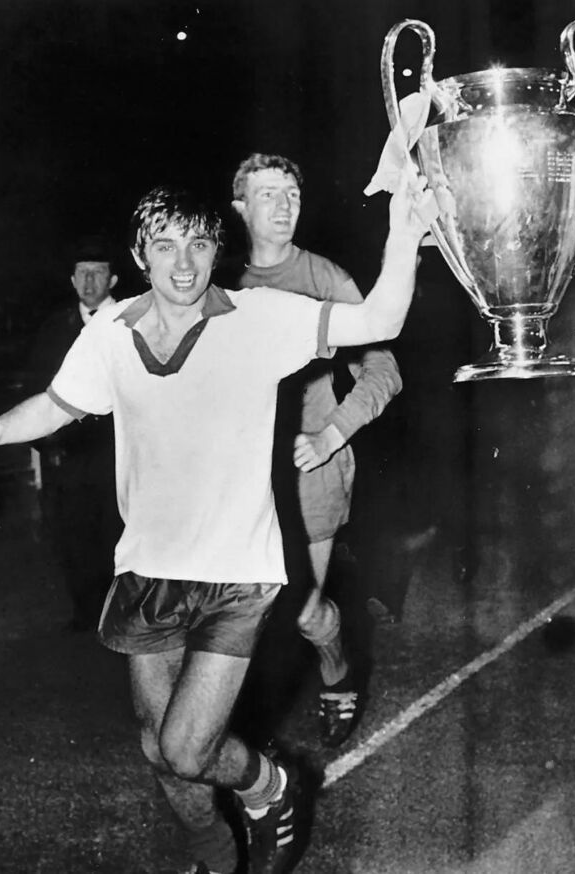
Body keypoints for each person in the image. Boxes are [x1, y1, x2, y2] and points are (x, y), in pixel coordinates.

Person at [0, 172, 432, 874]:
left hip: (237, 574)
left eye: (198, 244)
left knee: (188, 749)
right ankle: (214, 850)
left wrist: (405, 231)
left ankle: (273, 787)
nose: (183, 263)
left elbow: (379, 322)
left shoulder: (259, 316)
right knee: (156, 747)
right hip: (147, 568)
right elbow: (59, 403)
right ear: (140, 256)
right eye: (164, 246)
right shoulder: (112, 330)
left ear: (215, 249)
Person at [225, 153, 402, 747]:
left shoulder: (325, 277)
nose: (283, 206)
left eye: (292, 195)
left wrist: (332, 434)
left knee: (301, 609)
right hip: (236, 473)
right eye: (268, 194)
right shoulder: (218, 280)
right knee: (231, 609)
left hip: (310, 469)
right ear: (240, 207)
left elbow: (383, 368)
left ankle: (335, 671)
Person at [26, 235, 123, 633]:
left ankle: (125, 612)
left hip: (120, 451)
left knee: (118, 532)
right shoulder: (55, 329)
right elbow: (37, 388)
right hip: (70, 454)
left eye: (97, 274)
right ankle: (88, 613)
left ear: (112, 280)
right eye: (82, 275)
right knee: (75, 536)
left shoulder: (131, 322)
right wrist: (46, 446)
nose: (89, 283)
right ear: (71, 281)